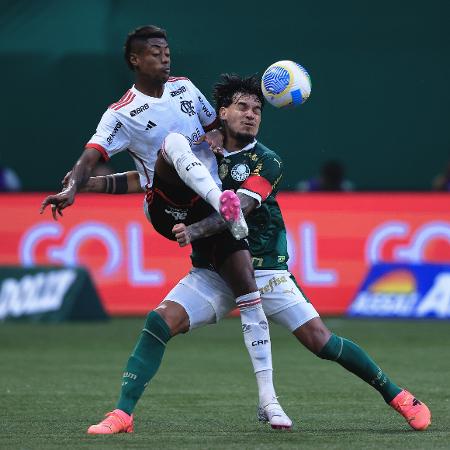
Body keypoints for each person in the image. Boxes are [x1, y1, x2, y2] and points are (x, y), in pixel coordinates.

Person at [81, 74, 431, 433]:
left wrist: (196, 230)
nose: (251, 115)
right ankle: (123, 414)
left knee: (321, 341)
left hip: (265, 268)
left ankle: (398, 395)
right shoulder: (198, 150)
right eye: (242, 107)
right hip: (213, 272)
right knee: (158, 322)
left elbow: (241, 206)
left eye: (257, 110)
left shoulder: (268, 161)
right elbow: (149, 178)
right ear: (222, 113)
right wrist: (87, 184)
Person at [40, 26, 288, 432]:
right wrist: (74, 185)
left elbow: (215, 132)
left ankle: (270, 402)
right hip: (168, 207)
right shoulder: (121, 112)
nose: (165, 57)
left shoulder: (186, 90)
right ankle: (223, 203)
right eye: (155, 52)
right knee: (174, 144)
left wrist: (242, 132)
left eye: (168, 50)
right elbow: (91, 154)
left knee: (249, 297)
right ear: (136, 61)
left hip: (210, 210)